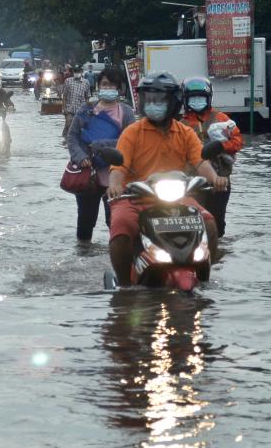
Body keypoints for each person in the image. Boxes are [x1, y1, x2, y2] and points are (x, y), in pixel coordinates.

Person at [106, 71, 228, 286]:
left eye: (160, 100)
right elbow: (119, 166)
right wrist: (115, 185)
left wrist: (215, 178)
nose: (154, 104)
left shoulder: (185, 132)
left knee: (209, 223)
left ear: (173, 102)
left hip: (176, 197)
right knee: (121, 229)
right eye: (149, 99)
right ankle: (124, 286)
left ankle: (205, 276)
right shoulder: (132, 132)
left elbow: (200, 162)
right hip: (134, 198)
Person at [66, 66, 136, 243]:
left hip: (115, 175)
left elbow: (129, 142)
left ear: (120, 88)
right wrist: (81, 157)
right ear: (98, 86)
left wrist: (101, 146)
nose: (108, 88)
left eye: (113, 85)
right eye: (104, 84)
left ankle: (114, 258)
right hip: (87, 174)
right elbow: (72, 136)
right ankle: (83, 256)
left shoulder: (126, 112)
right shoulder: (86, 109)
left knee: (115, 220)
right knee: (85, 222)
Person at [180, 76, 244, 237]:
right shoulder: (181, 125)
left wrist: (221, 145)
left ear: (208, 99)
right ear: (185, 100)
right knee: (191, 222)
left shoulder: (221, 119)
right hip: (191, 183)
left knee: (217, 224)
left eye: (200, 98)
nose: (197, 102)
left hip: (220, 181)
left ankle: (217, 256)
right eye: (193, 98)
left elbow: (238, 142)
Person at [61, 65, 91, 137]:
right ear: (73, 72)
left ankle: (74, 141)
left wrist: (87, 109)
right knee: (68, 125)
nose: (77, 73)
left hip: (80, 109)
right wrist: (64, 108)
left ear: (81, 72)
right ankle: (64, 140)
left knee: (79, 128)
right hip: (69, 109)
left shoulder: (86, 82)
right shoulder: (68, 81)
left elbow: (87, 97)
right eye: (75, 71)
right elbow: (64, 96)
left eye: (78, 71)